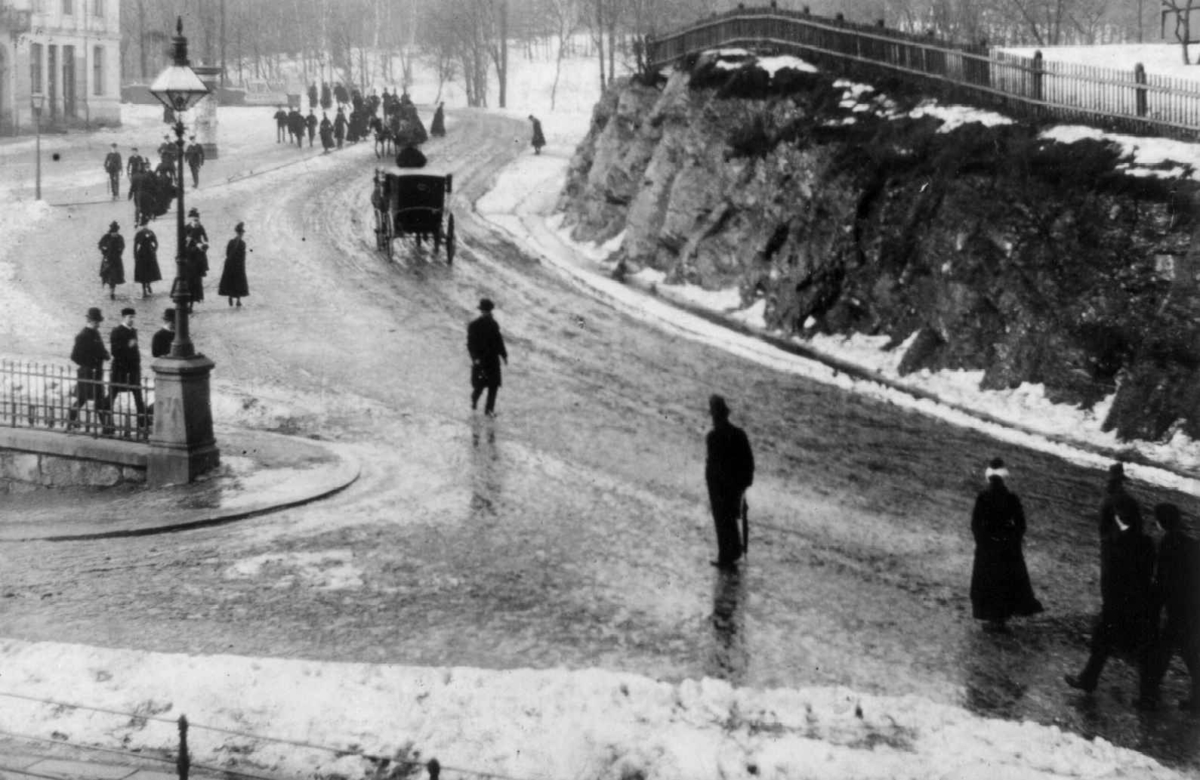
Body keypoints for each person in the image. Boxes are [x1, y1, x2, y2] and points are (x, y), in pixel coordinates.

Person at [1065, 463, 1156, 695]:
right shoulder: (1126, 510)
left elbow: (1121, 541)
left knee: (1114, 636)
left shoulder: (1118, 512)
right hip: (1126, 590)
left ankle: (1147, 693)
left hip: (1120, 591)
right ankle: (1092, 679)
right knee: (1122, 638)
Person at [969, 457, 1044, 633]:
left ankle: (994, 619)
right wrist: (1012, 540)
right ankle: (1001, 619)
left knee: (988, 582)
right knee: (1007, 582)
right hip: (1006, 547)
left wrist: (982, 541)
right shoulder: (1011, 498)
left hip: (988, 547)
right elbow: (1021, 524)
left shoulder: (983, 497)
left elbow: (975, 524)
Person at [1139, 503, 1200, 711]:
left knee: (1162, 654)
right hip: (1192, 608)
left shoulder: (1167, 544)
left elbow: (1164, 582)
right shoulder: (1191, 542)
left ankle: (1148, 698)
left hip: (1177, 610)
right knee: (1189, 654)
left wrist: (1153, 607)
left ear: (1160, 523)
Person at [705, 395, 754, 569]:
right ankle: (731, 553)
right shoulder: (738, 434)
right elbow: (748, 462)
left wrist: (712, 486)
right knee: (730, 518)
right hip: (734, 485)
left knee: (722, 519)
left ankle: (727, 555)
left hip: (720, 486)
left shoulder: (713, 437)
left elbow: (711, 466)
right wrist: (745, 483)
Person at [67, 308, 111, 431]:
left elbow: (100, 349)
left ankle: (106, 427)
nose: (98, 324)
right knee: (84, 398)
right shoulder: (83, 335)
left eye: (98, 321)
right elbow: (74, 356)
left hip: (96, 373)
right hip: (87, 373)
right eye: (97, 321)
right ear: (90, 321)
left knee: (96, 399)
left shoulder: (95, 333)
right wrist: (88, 365)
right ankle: (71, 421)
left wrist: (106, 355)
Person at [467, 298, 508, 417]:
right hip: (481, 359)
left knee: (494, 385)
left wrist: (504, 355)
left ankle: (489, 410)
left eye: (488, 311)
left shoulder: (494, 324)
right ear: (482, 311)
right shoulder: (474, 325)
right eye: (485, 311)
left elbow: (499, 340)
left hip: (493, 359)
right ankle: (474, 400)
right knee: (480, 386)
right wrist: (475, 358)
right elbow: (471, 344)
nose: (487, 313)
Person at [108, 307, 146, 431]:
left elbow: (136, 350)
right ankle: (108, 421)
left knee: (138, 394)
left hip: (133, 369)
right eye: (130, 317)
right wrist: (128, 347)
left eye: (133, 317)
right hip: (120, 369)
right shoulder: (117, 331)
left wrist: (138, 364)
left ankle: (142, 422)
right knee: (113, 394)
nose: (132, 319)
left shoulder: (133, 331)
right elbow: (114, 351)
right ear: (123, 317)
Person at [183, 208, 209, 312]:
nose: (196, 222)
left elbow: (206, 239)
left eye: (197, 220)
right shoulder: (186, 228)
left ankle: (192, 304)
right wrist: (190, 242)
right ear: (190, 220)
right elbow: (182, 245)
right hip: (188, 258)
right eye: (194, 220)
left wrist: (204, 245)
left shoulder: (200, 227)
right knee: (187, 281)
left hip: (198, 259)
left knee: (197, 281)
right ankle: (186, 302)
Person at [218, 222, 250, 307]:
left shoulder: (232, 242)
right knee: (238, 282)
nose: (242, 235)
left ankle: (232, 297)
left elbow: (227, 253)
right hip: (237, 265)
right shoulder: (242, 243)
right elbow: (242, 256)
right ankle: (236, 299)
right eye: (241, 233)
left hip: (230, 264)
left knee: (232, 281)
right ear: (240, 233)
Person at [133, 217, 162, 298]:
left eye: (145, 225)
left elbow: (156, 242)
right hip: (144, 254)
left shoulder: (149, 232)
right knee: (143, 272)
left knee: (149, 271)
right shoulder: (140, 234)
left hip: (147, 254)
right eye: (143, 225)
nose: (144, 227)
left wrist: (154, 250)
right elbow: (135, 246)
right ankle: (144, 290)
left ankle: (148, 284)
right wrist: (135, 255)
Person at [98, 221, 125, 301]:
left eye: (116, 232)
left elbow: (122, 246)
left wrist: (120, 250)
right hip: (107, 259)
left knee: (114, 276)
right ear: (111, 232)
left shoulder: (120, 237)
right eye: (113, 232)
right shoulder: (106, 237)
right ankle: (110, 288)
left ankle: (112, 292)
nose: (115, 234)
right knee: (108, 274)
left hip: (116, 260)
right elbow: (100, 245)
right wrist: (104, 250)